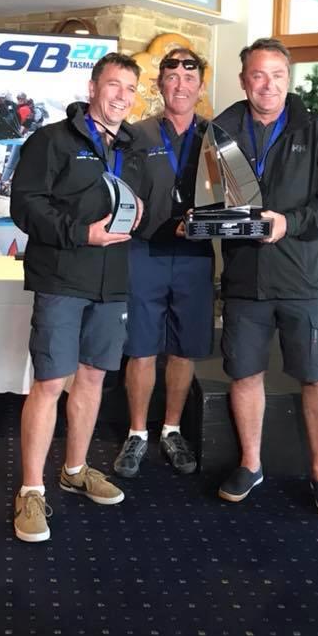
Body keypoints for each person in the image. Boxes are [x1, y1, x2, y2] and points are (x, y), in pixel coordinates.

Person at [213, 38, 318, 513]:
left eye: (276, 74)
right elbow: (211, 195)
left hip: (302, 278)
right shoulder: (222, 130)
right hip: (244, 278)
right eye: (257, 75)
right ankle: (251, 464)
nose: (267, 84)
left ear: (288, 78)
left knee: (316, 375)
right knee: (245, 373)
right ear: (243, 80)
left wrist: (289, 223)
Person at [9, 53, 144, 542]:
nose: (122, 96)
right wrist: (79, 234)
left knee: (92, 378)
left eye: (131, 88)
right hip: (63, 277)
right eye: (114, 85)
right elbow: (25, 204)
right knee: (49, 383)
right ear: (92, 88)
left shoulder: (134, 145)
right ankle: (30, 490)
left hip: (113, 285)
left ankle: (74, 469)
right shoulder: (51, 140)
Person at [113, 48, 214, 479]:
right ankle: (137, 432)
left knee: (183, 347)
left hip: (195, 256)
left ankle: (171, 429)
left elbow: (232, 196)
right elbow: (123, 197)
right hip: (145, 252)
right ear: (160, 86)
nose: (180, 86)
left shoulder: (217, 136)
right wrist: (160, 226)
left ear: (200, 86)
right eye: (171, 78)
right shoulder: (136, 136)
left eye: (188, 79)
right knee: (140, 346)